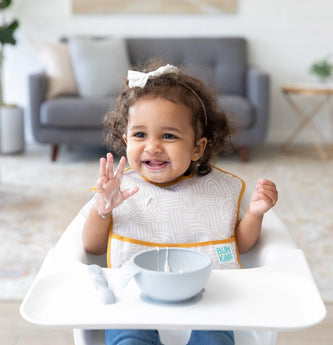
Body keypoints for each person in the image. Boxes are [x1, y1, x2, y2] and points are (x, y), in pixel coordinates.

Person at [81, 62, 278, 345]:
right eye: (140, 135)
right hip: (133, 302)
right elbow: (92, 248)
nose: (152, 146)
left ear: (197, 147)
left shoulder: (218, 190)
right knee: (128, 340)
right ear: (125, 140)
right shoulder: (117, 189)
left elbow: (237, 246)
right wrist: (103, 209)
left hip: (210, 301)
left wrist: (255, 213)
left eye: (168, 136)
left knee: (216, 339)